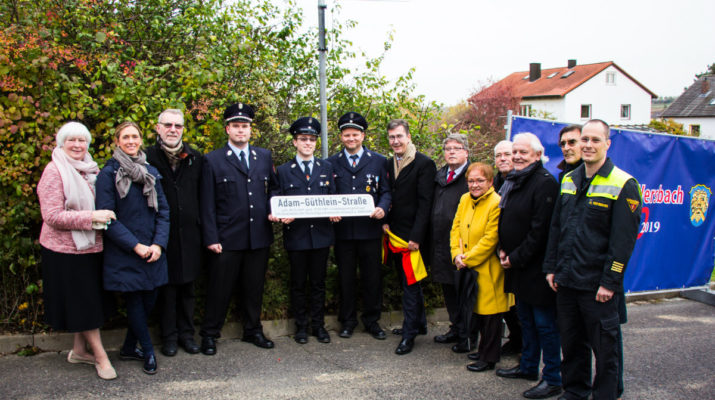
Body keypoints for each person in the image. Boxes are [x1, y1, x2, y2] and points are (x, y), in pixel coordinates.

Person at [544, 119, 641, 400]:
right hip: (567, 280)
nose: (588, 145)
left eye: (595, 140)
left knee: (605, 347)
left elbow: (623, 242)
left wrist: (610, 282)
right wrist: (551, 268)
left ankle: (607, 394)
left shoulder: (623, 184)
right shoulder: (570, 180)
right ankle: (575, 390)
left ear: (607, 144)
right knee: (572, 343)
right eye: (584, 139)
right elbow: (557, 229)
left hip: (598, 286)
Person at [37, 122, 117, 380]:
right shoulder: (54, 171)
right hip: (64, 251)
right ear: (61, 143)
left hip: (91, 246)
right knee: (85, 305)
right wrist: (91, 217)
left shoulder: (90, 168)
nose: (77, 145)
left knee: (84, 300)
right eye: (71, 140)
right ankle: (101, 357)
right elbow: (51, 216)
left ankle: (79, 351)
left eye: (82, 141)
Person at [199, 102, 278, 355]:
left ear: (251, 130)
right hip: (226, 238)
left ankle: (252, 330)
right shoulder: (212, 160)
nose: (241, 130)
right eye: (236, 126)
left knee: (253, 289)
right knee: (219, 289)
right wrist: (211, 237)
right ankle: (210, 334)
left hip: (258, 237)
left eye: (245, 126)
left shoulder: (264, 157)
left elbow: (274, 189)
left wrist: (274, 209)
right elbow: (206, 203)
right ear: (227, 129)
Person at [96, 121, 170, 375]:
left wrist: (158, 244)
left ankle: (129, 347)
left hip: (152, 249)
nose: (130, 141)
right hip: (125, 251)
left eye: (134, 136)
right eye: (125, 137)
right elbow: (107, 217)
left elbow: (164, 212)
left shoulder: (150, 171)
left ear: (140, 140)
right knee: (135, 301)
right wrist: (135, 246)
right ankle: (148, 351)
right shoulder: (108, 174)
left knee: (150, 298)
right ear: (117, 141)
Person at [495, 132, 562, 399]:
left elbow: (540, 231)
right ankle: (528, 367)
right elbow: (507, 218)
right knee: (525, 321)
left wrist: (515, 257)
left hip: (535, 268)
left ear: (537, 154)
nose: (518, 156)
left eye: (523, 152)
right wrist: (502, 247)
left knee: (545, 325)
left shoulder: (544, 183)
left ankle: (553, 378)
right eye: (515, 152)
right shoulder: (515, 180)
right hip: (517, 266)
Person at [327, 112, 390, 340]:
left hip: (370, 230)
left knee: (372, 278)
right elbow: (328, 193)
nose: (351, 138)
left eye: (355, 134)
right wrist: (330, 210)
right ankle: (348, 321)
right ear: (341, 136)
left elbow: (385, 191)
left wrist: (383, 208)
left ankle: (372, 321)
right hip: (343, 231)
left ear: (363, 135)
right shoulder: (331, 162)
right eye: (347, 135)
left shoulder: (379, 161)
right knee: (345, 279)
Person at [145, 109, 203, 357]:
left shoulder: (195, 157)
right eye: (167, 125)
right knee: (166, 289)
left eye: (178, 126)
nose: (173, 129)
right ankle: (168, 337)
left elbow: (204, 196)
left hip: (190, 233)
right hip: (160, 234)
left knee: (188, 288)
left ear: (183, 130)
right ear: (158, 128)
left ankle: (187, 335)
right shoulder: (146, 156)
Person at [274, 117, 337, 344]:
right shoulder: (283, 171)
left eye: (312, 139)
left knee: (319, 284)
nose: (308, 143)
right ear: (295, 142)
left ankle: (319, 327)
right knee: (298, 285)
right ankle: (301, 328)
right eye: (303, 139)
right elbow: (275, 198)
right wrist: (278, 213)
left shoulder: (326, 167)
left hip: (320, 236)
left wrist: (335, 211)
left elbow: (334, 198)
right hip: (297, 237)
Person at [450, 162, 512, 372]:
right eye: (471, 181)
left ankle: (490, 357)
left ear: (490, 181)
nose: (474, 185)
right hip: (467, 264)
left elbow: (491, 238)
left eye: (480, 181)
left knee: (490, 316)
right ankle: (483, 350)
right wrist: (456, 254)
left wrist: (467, 258)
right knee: (476, 311)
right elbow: (455, 228)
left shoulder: (497, 202)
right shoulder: (464, 199)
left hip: (488, 268)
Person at [382, 119, 436, 355]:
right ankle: (419, 323)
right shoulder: (388, 163)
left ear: (409, 137)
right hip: (394, 235)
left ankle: (409, 334)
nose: (395, 141)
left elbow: (426, 204)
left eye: (399, 136)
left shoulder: (424, 163)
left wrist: (416, 237)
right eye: (392, 137)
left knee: (411, 286)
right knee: (407, 283)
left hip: (412, 238)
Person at [429, 134, 470, 351]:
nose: (452, 152)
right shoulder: (440, 176)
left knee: (463, 290)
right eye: (448, 148)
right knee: (448, 288)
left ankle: (467, 334)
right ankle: (455, 327)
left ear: (466, 152)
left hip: (463, 245)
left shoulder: (472, 176)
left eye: (457, 148)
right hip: (440, 242)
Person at [492, 139, 522, 357]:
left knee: (519, 305)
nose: (502, 159)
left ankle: (524, 345)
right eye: (498, 155)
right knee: (508, 305)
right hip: (498, 251)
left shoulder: (521, 182)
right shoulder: (495, 182)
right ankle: (515, 340)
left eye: (507, 154)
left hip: (518, 254)